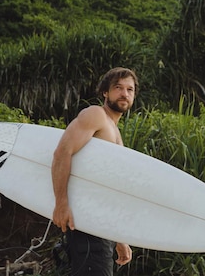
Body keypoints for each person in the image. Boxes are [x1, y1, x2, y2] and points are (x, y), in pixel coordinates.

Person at [51, 67, 138, 276]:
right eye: (118, 88)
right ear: (105, 93)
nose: (124, 94)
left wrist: (119, 236)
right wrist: (61, 203)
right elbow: (62, 153)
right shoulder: (95, 115)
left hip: (101, 226)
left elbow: (108, 186)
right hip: (87, 223)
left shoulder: (114, 131)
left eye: (130, 89)